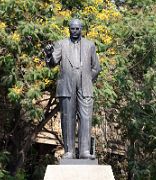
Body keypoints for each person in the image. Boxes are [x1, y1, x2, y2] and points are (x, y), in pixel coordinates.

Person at [44, 19, 101, 159]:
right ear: (69, 29)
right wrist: (49, 54)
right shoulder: (61, 44)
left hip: (85, 86)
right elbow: (52, 63)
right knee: (67, 118)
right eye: (72, 28)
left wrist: (87, 78)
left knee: (86, 118)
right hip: (67, 86)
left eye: (77, 29)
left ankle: (84, 151)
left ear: (81, 29)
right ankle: (69, 151)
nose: (74, 31)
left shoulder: (90, 45)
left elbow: (96, 67)